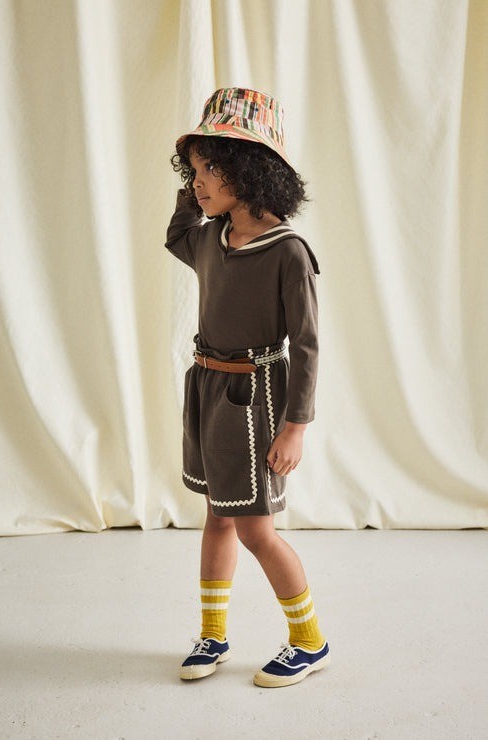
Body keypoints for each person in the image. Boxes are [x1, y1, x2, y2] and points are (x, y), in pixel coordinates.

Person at [164, 87, 330, 688]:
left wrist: (295, 426)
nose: (200, 182)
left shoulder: (288, 252)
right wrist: (194, 186)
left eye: (213, 168)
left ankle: (309, 641)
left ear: (252, 170)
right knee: (216, 516)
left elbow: (306, 345)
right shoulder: (210, 238)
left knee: (256, 529)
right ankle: (213, 634)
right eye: (195, 169)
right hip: (207, 388)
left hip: (255, 398)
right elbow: (176, 234)